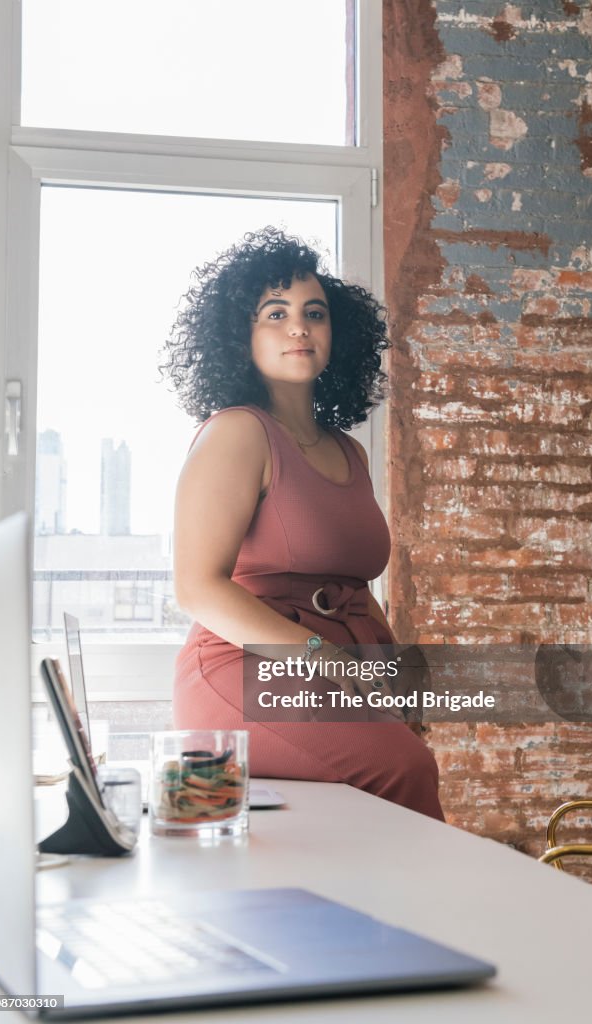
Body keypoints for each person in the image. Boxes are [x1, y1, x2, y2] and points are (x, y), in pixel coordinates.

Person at [160, 227, 443, 820]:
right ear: (242, 337)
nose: (299, 327)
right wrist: (324, 657)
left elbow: (356, 590)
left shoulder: (349, 451)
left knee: (408, 757)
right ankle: (417, 911)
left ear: (337, 335)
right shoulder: (237, 432)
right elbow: (197, 587)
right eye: (275, 313)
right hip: (242, 669)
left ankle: (386, 908)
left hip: (337, 663)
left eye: (315, 313)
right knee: (404, 766)